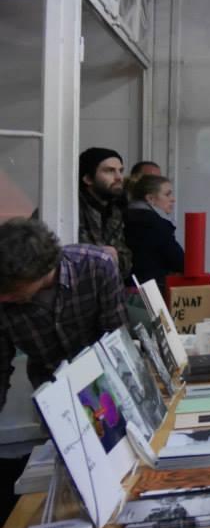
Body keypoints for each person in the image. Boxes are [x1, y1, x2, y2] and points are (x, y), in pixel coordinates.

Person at [0, 218, 127, 410]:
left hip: (107, 385)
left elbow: (116, 343)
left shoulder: (96, 266)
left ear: (38, 270)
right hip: (52, 393)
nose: (4, 297)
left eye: (11, 290)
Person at [78, 147, 133, 280]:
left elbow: (126, 262)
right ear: (88, 179)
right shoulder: (68, 208)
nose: (119, 177)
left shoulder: (116, 210)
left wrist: (114, 257)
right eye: (109, 171)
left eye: (121, 171)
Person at [124, 174, 184, 291]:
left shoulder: (122, 216)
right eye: (167, 194)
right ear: (151, 199)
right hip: (154, 289)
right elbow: (180, 262)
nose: (173, 199)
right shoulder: (157, 225)